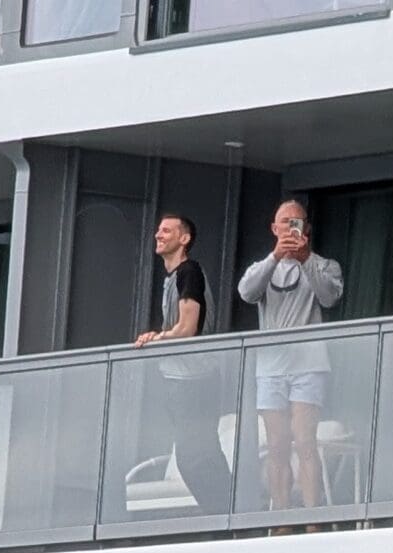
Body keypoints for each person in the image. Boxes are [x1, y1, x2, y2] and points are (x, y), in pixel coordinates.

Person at [238, 198, 345, 511]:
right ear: (274, 228)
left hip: (309, 364)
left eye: (297, 222)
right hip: (270, 368)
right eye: (285, 222)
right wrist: (276, 256)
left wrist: (305, 258)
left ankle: (312, 515)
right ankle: (281, 516)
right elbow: (247, 292)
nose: (291, 228)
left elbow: (329, 297)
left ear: (307, 229)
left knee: (305, 440)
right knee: (276, 445)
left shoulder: (325, 265)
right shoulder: (263, 268)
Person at [133, 213, 232, 515]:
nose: (158, 235)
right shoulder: (175, 278)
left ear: (184, 238)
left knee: (196, 456)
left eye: (166, 231)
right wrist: (160, 336)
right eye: (158, 231)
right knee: (197, 455)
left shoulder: (189, 271)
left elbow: (188, 329)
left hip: (195, 381)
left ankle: (228, 517)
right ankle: (227, 517)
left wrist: (157, 339)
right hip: (182, 380)